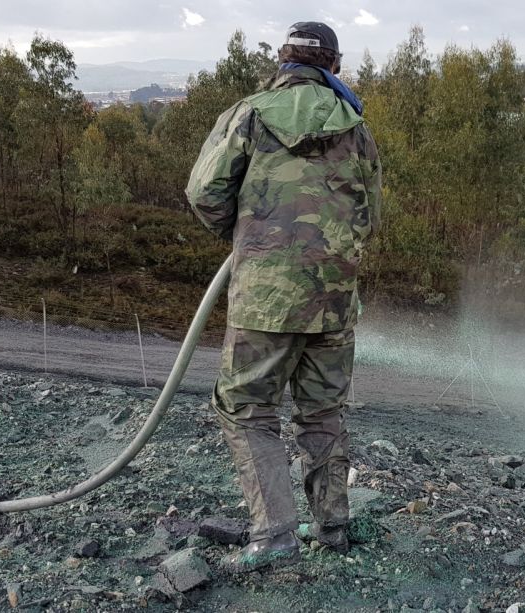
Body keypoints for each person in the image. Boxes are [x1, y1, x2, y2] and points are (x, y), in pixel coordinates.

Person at [185, 21, 381, 572]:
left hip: (264, 299)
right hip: (334, 299)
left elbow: (205, 193)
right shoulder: (357, 128)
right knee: (322, 411)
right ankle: (332, 528)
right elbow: (370, 216)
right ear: (333, 65)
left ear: (284, 61)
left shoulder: (249, 114)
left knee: (247, 408)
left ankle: (274, 535)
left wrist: (249, 236)